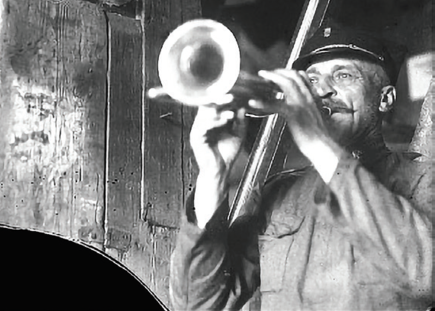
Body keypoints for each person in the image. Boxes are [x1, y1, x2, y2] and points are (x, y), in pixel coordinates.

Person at [169, 23, 433, 311]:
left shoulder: (423, 179)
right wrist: (213, 172)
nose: (322, 91)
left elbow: (426, 274)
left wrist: (316, 142)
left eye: (343, 75)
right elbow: (198, 304)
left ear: (385, 99)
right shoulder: (277, 193)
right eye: (312, 81)